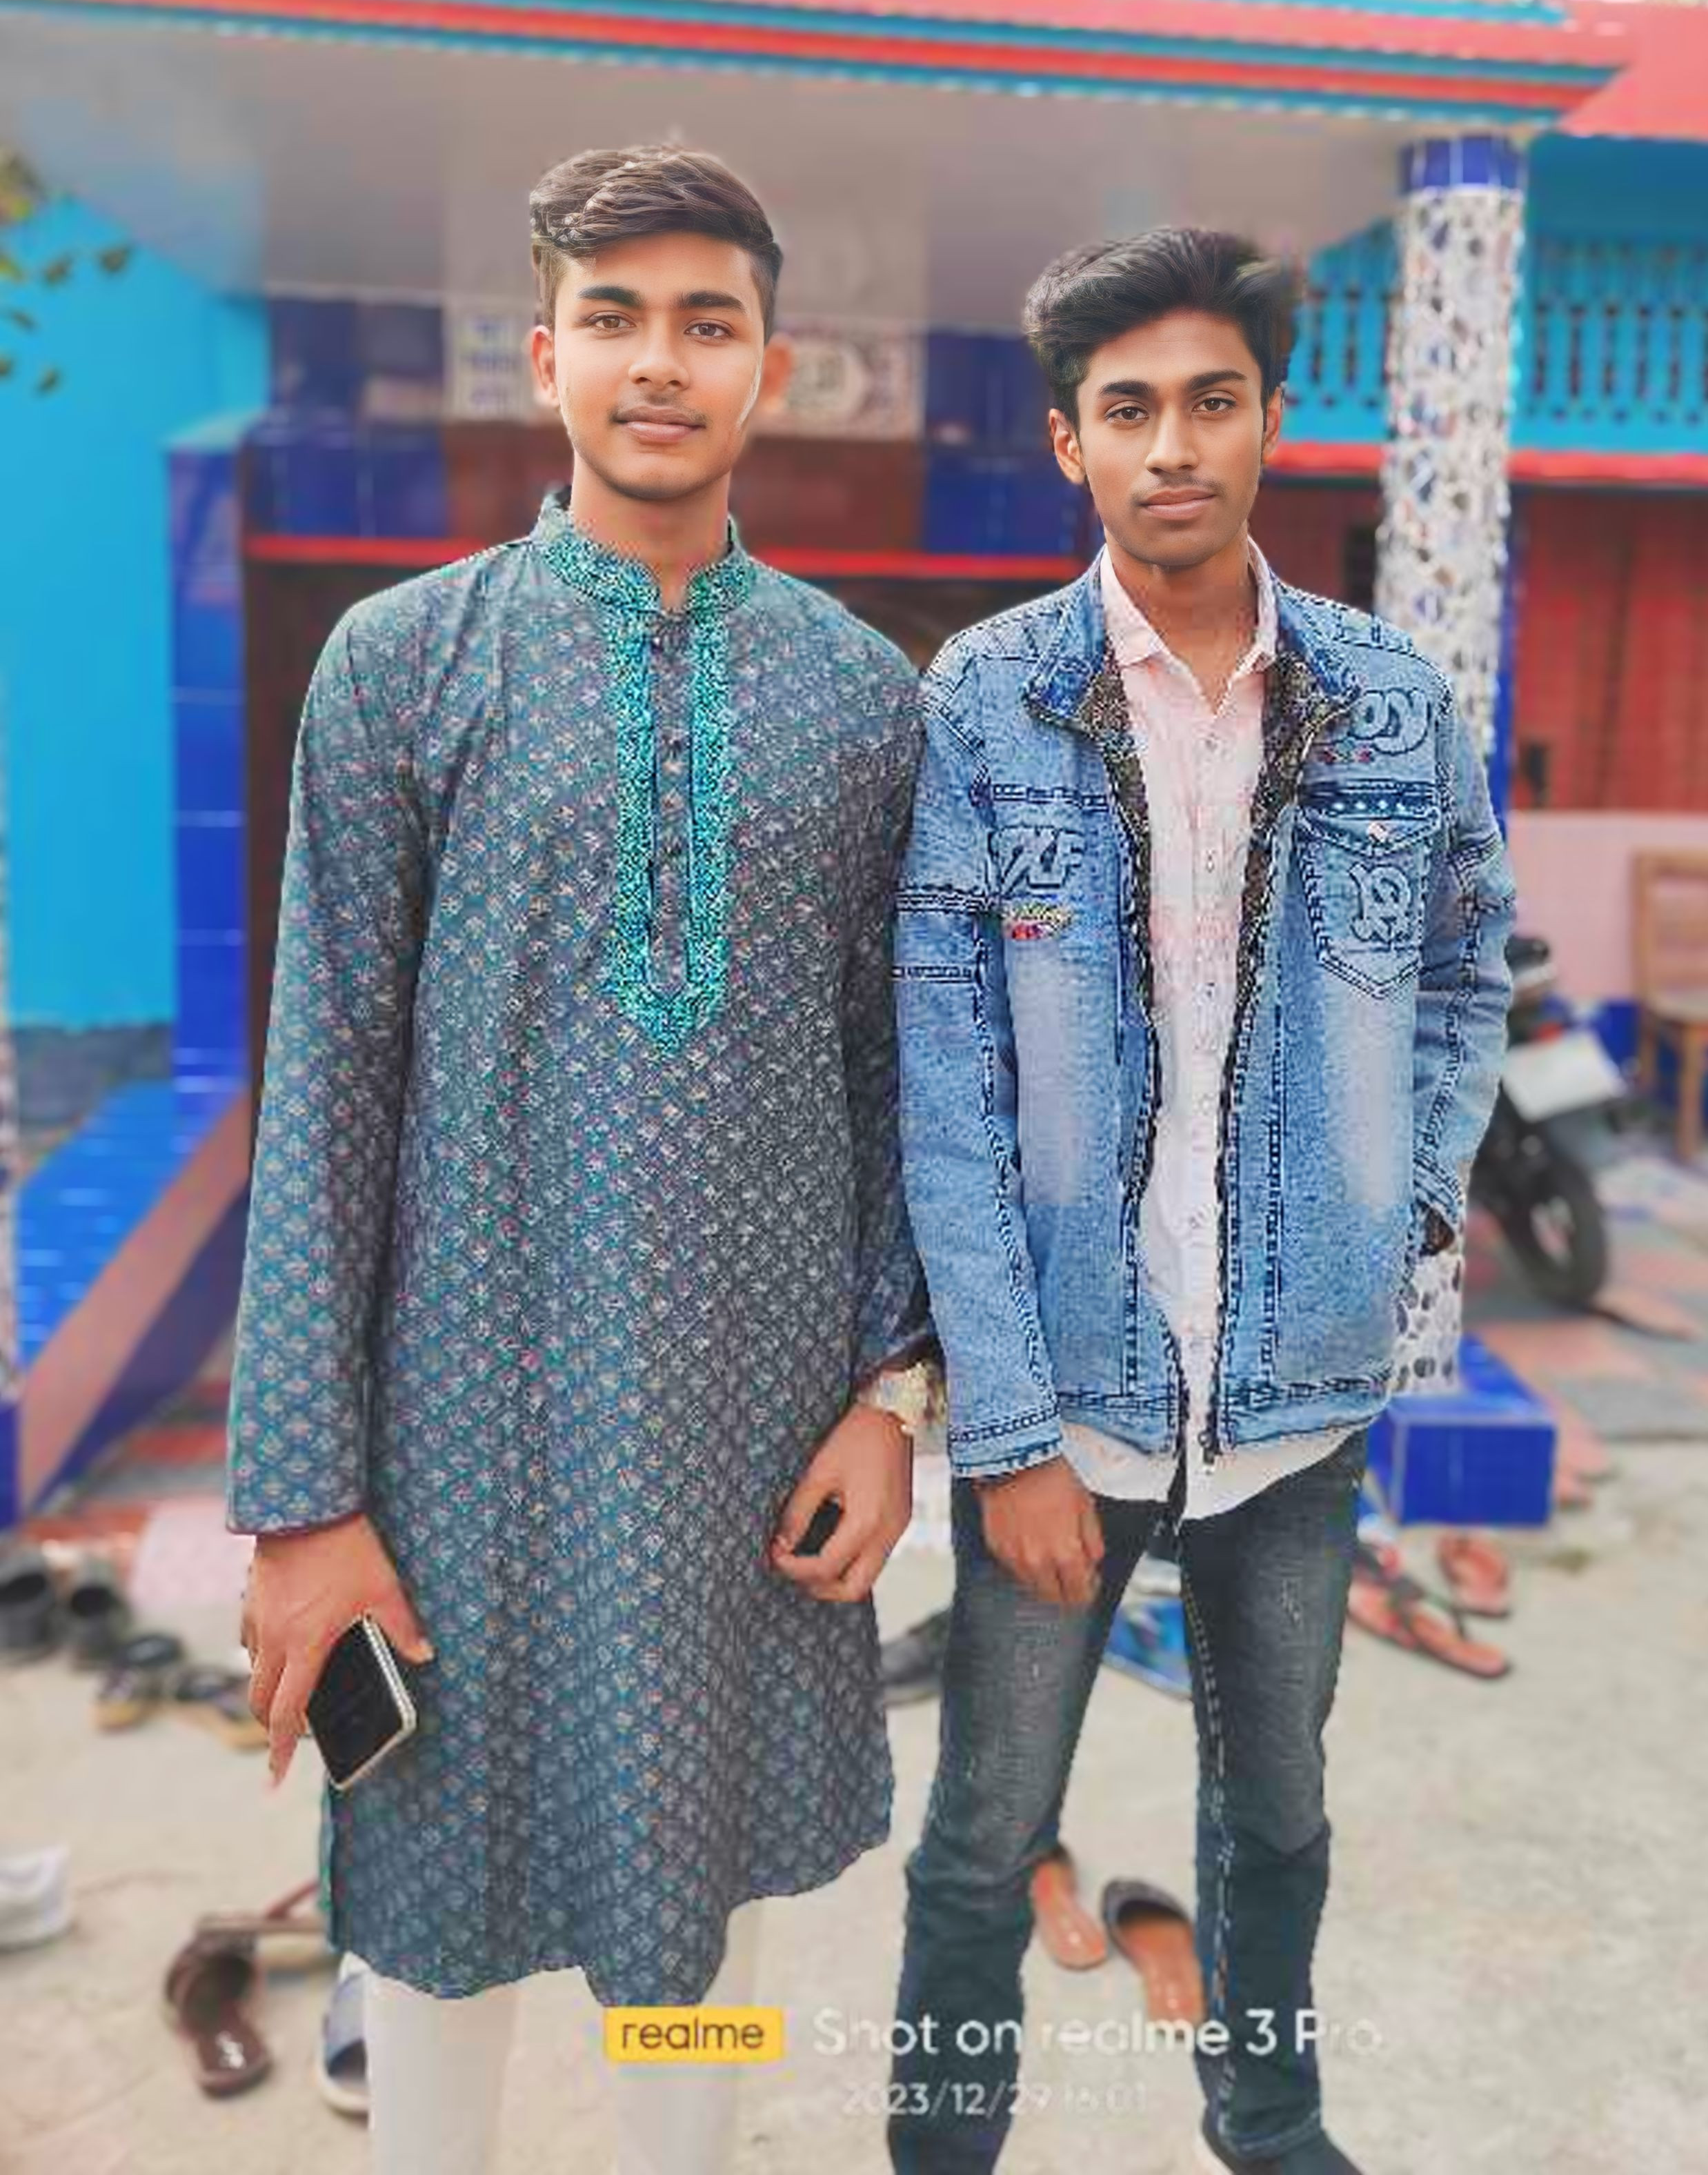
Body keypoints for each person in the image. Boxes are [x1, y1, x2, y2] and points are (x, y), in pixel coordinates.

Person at [226, 144, 941, 2175]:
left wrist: (893, 1400)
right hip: (454, 1450)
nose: (660, 363)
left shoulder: (862, 699)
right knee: (437, 1908)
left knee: (700, 1915)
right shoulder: (404, 663)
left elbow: (899, 1081)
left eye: (708, 323)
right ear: (542, 357)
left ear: (770, 369)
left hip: (747, 1456)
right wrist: (304, 1502)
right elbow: (328, 1076)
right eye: (613, 319)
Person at [888, 228, 1516, 2175]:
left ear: (1270, 422)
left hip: (1298, 1400)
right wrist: (1004, 1432)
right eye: (1130, 409)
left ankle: (1271, 2126)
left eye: (1211, 402)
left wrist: (1404, 1202)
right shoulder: (988, 698)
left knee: (1278, 1816)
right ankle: (944, 2150)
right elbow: (947, 1080)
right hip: (1067, 1397)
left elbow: (1467, 968)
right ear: (1069, 442)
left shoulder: (1392, 697)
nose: (1173, 446)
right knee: (988, 1831)